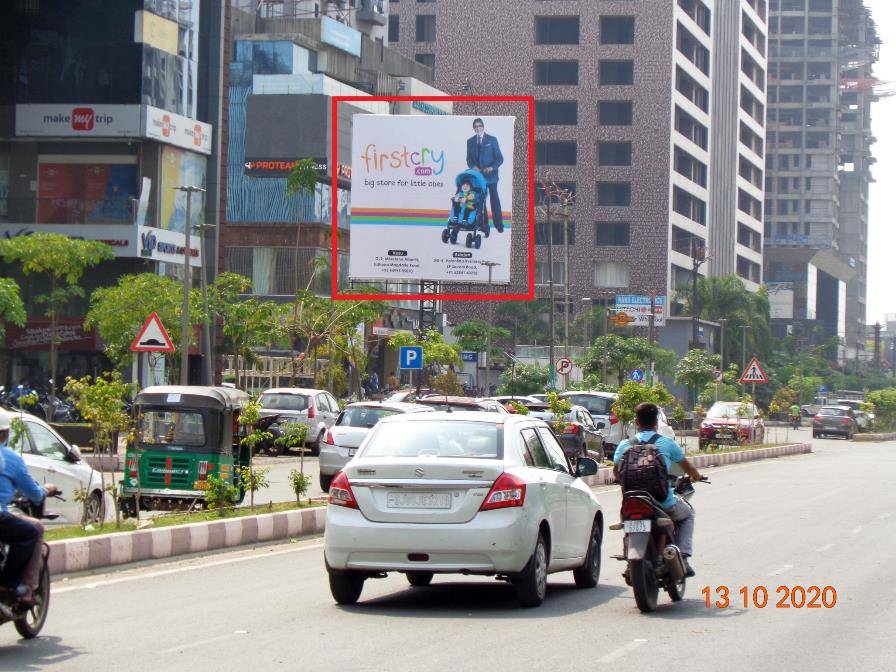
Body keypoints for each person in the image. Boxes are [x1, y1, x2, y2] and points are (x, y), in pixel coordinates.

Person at [613, 402, 704, 577]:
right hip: (663, 502)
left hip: (632, 502)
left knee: (627, 523)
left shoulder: (625, 445)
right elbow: (687, 468)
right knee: (688, 514)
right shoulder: (667, 443)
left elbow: (616, 474)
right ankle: (683, 557)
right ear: (656, 423)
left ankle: (629, 559)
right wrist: (696, 476)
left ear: (636, 422)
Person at [0, 409, 58, 605]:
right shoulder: (10, 459)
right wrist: (46, 490)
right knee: (32, 532)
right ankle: (8, 584)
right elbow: (33, 493)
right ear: (6, 433)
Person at [465, 118, 504, 232]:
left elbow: (500, 159)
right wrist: (473, 167)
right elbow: (469, 159)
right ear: (473, 128)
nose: (477, 128)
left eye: (479, 126)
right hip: (478, 177)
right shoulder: (470, 141)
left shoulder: (492, 140)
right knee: (481, 201)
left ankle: (499, 225)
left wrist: (491, 167)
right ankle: (484, 225)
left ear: (483, 126)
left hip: (491, 176)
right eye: (475, 126)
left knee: (494, 200)